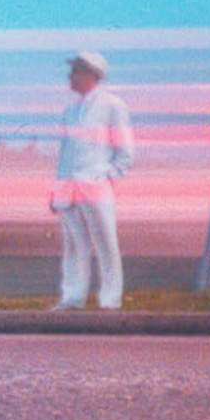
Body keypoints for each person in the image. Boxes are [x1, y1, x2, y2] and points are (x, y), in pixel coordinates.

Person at [50, 50, 134, 309]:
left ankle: (110, 301)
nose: (70, 76)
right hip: (69, 185)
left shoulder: (112, 105)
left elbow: (125, 149)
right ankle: (72, 298)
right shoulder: (70, 110)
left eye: (75, 71)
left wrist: (107, 175)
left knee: (106, 243)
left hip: (95, 184)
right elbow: (66, 150)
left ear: (90, 75)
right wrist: (57, 188)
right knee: (74, 246)